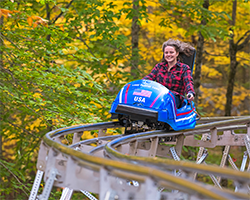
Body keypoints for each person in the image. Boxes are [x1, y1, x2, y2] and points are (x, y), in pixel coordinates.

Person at [143, 39, 195, 108]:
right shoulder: (159, 66)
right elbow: (149, 78)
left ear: (177, 53)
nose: (168, 55)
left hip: (173, 99)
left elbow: (188, 82)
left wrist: (190, 93)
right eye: (166, 53)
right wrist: (140, 84)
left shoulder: (184, 68)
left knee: (165, 101)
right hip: (158, 96)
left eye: (171, 52)